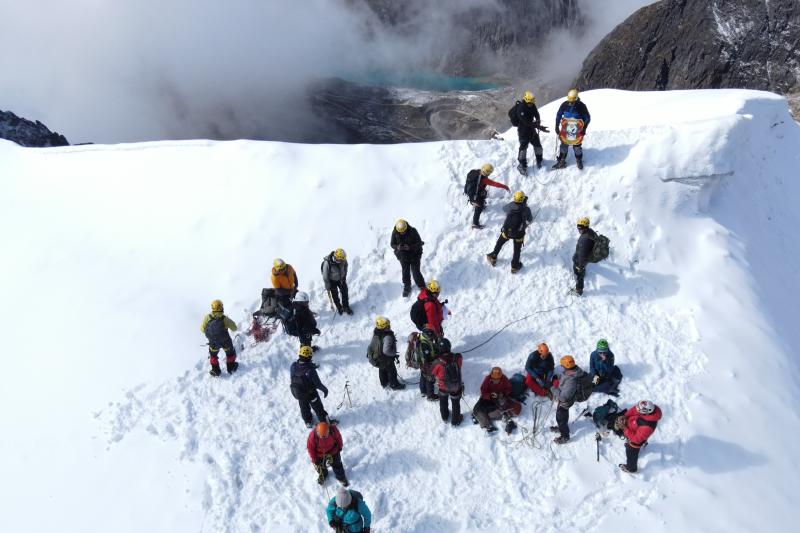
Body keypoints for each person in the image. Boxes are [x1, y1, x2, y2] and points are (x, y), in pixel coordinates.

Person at [486, 191, 533, 273]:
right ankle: (514, 266)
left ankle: (493, 257)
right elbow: (530, 219)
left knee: (499, 243)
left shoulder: (511, 205)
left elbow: (504, 209)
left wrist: (513, 205)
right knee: (517, 250)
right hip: (519, 234)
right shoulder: (526, 209)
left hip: (507, 231)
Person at [550, 355, 591, 444]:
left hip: (566, 401)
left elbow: (563, 397)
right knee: (562, 416)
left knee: (560, 417)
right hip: (566, 398)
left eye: (562, 366)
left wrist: (553, 388)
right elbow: (564, 376)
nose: (562, 367)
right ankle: (561, 427)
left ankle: (565, 436)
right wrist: (557, 377)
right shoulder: (572, 371)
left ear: (566, 366)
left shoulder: (572, 381)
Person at [615, 400, 662, 473]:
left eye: (639, 410)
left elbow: (636, 439)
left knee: (631, 452)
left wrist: (625, 428)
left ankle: (631, 468)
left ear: (646, 413)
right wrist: (625, 416)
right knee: (642, 437)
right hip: (636, 428)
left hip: (636, 440)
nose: (637, 409)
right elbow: (634, 409)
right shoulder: (646, 408)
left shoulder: (647, 426)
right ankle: (643, 442)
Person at [509, 91, 548, 174]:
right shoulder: (521, 109)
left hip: (531, 129)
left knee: (538, 145)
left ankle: (539, 160)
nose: (531, 104)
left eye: (532, 103)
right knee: (523, 148)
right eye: (529, 103)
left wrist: (538, 120)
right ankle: (521, 165)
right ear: (526, 100)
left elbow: (536, 113)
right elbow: (526, 122)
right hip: (523, 131)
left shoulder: (532, 104)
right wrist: (538, 126)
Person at [472, 367, 522, 434]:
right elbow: (483, 392)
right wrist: (490, 395)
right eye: (494, 379)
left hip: (499, 399)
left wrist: (502, 394)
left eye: (497, 379)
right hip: (488, 398)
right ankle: (486, 424)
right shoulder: (487, 379)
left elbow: (509, 389)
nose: (495, 381)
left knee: (498, 409)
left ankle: (482, 419)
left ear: (500, 377)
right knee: (477, 408)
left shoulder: (504, 379)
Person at [290, 345, 329, 428]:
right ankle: (323, 422)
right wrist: (325, 390)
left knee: (304, 408)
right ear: (310, 357)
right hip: (311, 394)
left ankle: (308, 421)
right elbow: (318, 384)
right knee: (318, 408)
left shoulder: (293, 366)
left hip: (300, 394)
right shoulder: (310, 370)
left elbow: (292, 378)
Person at [552, 88, 591, 170]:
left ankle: (579, 160)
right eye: (569, 101)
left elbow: (587, 118)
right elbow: (559, 115)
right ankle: (562, 161)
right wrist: (556, 125)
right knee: (564, 145)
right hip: (566, 129)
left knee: (577, 146)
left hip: (577, 130)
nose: (570, 103)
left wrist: (584, 128)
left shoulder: (581, 106)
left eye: (572, 102)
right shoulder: (564, 105)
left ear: (576, 99)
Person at [464, 163, 510, 229]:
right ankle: (475, 223)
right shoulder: (484, 179)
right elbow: (495, 184)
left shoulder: (473, 172)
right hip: (475, 196)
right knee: (479, 207)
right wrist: (505, 186)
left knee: (482, 196)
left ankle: (476, 204)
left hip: (471, 192)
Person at [366, 316, 406, 390]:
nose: (389, 326)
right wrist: (393, 353)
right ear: (383, 327)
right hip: (386, 359)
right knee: (392, 371)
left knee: (382, 369)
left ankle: (384, 382)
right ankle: (394, 385)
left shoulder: (376, 332)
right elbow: (386, 351)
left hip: (377, 357)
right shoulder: (388, 337)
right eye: (388, 325)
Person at [200, 299, 238, 377]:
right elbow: (234, 328)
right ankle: (231, 368)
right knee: (230, 353)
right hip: (225, 341)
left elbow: (202, 329)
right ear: (221, 307)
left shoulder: (207, 317)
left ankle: (215, 371)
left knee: (213, 355)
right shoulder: (224, 319)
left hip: (213, 342)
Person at [431, 338, 464, 426]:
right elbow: (460, 360)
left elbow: (432, 372)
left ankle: (444, 417)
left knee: (443, 402)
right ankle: (455, 421)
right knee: (455, 403)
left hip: (443, 386)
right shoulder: (457, 358)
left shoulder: (437, 362)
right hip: (456, 386)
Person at [390, 219, 426, 297]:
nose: (402, 233)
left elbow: (420, 243)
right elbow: (392, 244)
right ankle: (407, 287)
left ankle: (422, 286)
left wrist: (410, 247)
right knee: (405, 272)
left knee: (416, 272)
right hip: (403, 256)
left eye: (404, 231)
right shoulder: (395, 232)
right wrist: (397, 247)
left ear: (406, 227)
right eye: (401, 232)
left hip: (414, 255)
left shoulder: (413, 231)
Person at [307, 421, 348, 486]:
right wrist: (314, 459)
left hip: (333, 451)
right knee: (320, 466)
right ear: (317, 432)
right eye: (321, 436)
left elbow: (339, 438)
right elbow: (310, 448)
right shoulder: (313, 436)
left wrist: (340, 446)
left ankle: (341, 477)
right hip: (320, 454)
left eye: (325, 436)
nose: (323, 438)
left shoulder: (333, 430)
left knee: (337, 464)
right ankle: (323, 475)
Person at [322, 248, 352, 315]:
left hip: (341, 279)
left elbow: (345, 268)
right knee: (335, 295)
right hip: (332, 281)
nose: (342, 260)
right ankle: (339, 307)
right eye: (341, 259)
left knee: (345, 292)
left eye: (343, 259)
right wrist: (328, 286)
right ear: (337, 257)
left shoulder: (343, 260)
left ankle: (346, 306)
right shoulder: (327, 263)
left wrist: (344, 277)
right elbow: (325, 276)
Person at [572, 217, 597, 296]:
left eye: (580, 228)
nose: (579, 229)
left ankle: (579, 291)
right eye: (578, 227)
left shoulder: (584, 239)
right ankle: (581, 272)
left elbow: (582, 255)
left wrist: (581, 267)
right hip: (586, 257)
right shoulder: (590, 232)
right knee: (580, 270)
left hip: (580, 261)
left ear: (585, 227)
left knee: (579, 274)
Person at [415, 328, 440, 402]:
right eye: (431, 336)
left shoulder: (422, 338)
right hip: (427, 364)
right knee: (430, 379)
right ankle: (430, 395)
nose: (432, 338)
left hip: (422, 363)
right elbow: (428, 358)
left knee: (423, 376)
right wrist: (437, 357)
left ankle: (423, 391)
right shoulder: (424, 344)